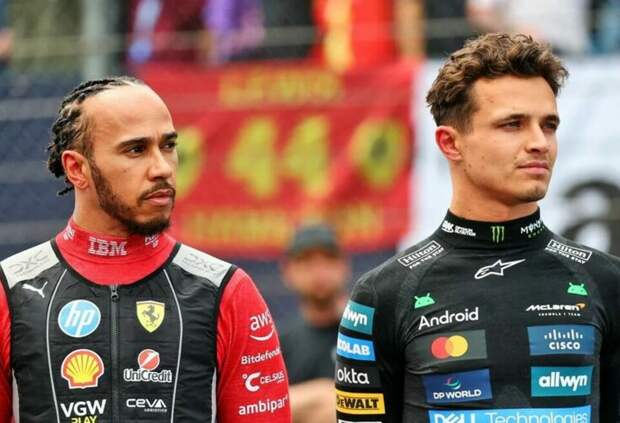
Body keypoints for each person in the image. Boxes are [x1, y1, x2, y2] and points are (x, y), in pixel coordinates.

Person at [335, 33, 620, 422]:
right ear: (450, 144)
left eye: (549, 125)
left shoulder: (607, 281)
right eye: (512, 124)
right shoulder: (381, 296)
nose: (539, 142)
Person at [0, 76, 291, 422]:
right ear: (77, 168)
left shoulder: (227, 291)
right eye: (136, 150)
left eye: (168, 146)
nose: (162, 168)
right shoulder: (10, 290)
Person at [279, 223, 350, 422]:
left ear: (344, 266)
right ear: (288, 271)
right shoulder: (277, 343)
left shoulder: (371, 333)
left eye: (328, 260)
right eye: (307, 262)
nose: (319, 272)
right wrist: (318, 397)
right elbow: (258, 407)